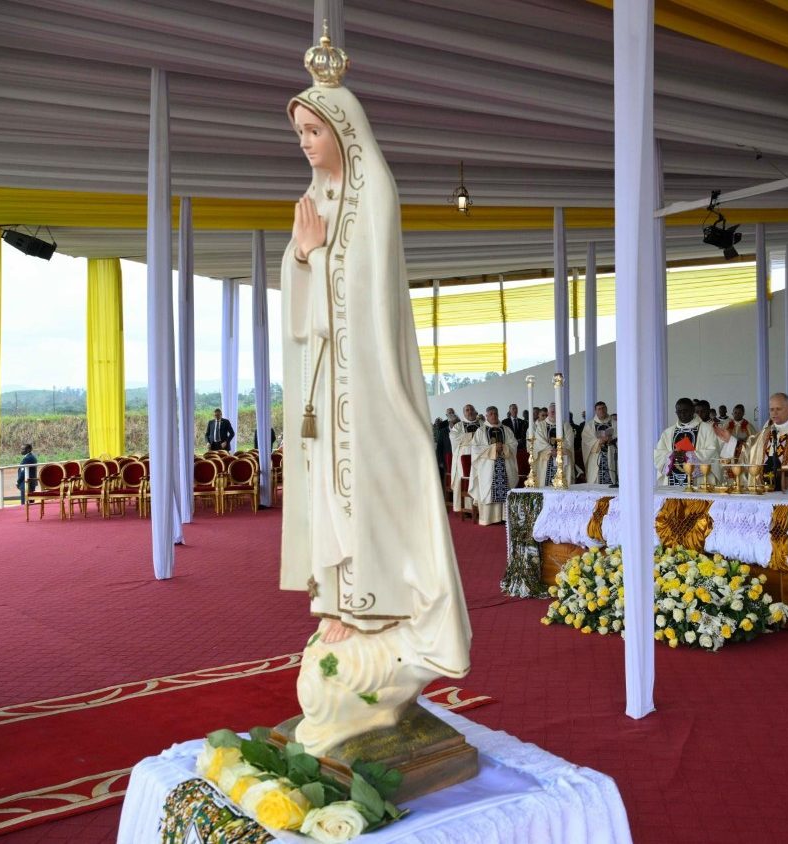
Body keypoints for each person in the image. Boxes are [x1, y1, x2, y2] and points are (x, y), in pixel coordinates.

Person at [278, 41, 470, 756]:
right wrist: (302, 257)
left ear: (343, 130)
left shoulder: (371, 193)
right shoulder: (316, 199)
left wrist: (319, 256)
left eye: (313, 131)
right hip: (331, 380)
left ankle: (372, 609)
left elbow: (365, 291)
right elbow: (307, 300)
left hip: (366, 378)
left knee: (372, 488)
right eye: (298, 133)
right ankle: (339, 602)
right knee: (331, 486)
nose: (304, 144)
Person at [714, 392, 788, 486]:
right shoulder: (763, 435)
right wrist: (731, 441)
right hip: (764, 492)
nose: (774, 413)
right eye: (771, 409)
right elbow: (747, 451)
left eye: (778, 409)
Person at [656, 397, 721, 486]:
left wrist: (689, 456)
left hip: (698, 482)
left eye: (685, 411)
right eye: (679, 411)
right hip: (672, 481)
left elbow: (713, 452)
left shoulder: (706, 429)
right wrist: (671, 455)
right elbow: (658, 454)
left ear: (692, 410)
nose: (682, 414)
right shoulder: (668, 432)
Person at [471, 406, 518, 525]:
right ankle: (488, 518)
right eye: (491, 414)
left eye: (495, 413)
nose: (493, 416)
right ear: (486, 416)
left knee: (506, 487)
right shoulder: (481, 431)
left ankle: (504, 517)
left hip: (505, 465)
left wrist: (504, 448)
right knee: (488, 488)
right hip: (488, 467)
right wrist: (493, 448)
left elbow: (514, 444)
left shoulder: (506, 429)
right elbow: (476, 449)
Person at [448, 404, 481, 513]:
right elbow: (454, 437)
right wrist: (473, 436)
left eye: (472, 409)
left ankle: (480, 507)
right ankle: (466, 508)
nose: (470, 412)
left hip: (480, 457)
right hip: (464, 458)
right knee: (465, 479)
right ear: (464, 413)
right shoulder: (458, 426)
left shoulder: (481, 424)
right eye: (467, 410)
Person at [531, 402, 574, 486]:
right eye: (552, 411)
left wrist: (559, 450)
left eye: (555, 411)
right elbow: (539, 441)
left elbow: (569, 440)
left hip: (562, 456)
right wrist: (551, 450)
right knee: (546, 483)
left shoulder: (565, 425)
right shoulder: (541, 425)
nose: (553, 413)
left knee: (562, 484)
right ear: (548, 412)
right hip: (547, 458)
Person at [581, 400, 618, 485]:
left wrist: (611, 439)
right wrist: (599, 441)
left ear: (606, 409)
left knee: (613, 480)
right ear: (596, 411)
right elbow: (586, 441)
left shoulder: (615, 423)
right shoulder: (590, 425)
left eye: (603, 408)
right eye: (599, 409)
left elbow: (621, 437)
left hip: (612, 455)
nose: (602, 410)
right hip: (596, 457)